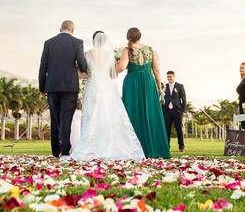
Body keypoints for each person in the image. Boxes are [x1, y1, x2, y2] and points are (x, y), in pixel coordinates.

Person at [72, 31, 144, 161]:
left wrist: (89, 75)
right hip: (107, 86)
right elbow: (113, 74)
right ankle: (110, 143)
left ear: (94, 41)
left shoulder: (87, 53)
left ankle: (93, 144)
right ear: (105, 41)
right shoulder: (110, 55)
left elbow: (80, 73)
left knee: (93, 114)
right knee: (110, 115)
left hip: (93, 85)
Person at [116, 27, 170, 158]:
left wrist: (106, 69)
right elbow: (156, 70)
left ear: (128, 37)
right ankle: (155, 148)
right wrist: (159, 89)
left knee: (132, 113)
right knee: (150, 113)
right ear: (140, 36)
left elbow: (121, 67)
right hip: (148, 83)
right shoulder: (151, 50)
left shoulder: (127, 50)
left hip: (132, 83)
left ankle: (134, 149)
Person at [39, 20, 89, 160]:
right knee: (66, 118)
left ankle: (55, 150)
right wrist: (84, 70)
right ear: (72, 29)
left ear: (60, 28)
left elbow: (43, 66)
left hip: (52, 87)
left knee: (55, 118)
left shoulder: (48, 43)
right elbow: (81, 62)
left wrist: (42, 87)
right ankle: (65, 151)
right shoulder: (77, 42)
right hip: (69, 86)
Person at [162, 70, 187, 151]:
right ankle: (167, 146)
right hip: (167, 111)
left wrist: (182, 111)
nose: (169, 78)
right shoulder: (164, 87)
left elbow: (184, 100)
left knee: (179, 129)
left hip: (177, 111)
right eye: (168, 76)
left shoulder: (180, 86)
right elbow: (162, 98)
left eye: (170, 76)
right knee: (166, 130)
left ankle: (181, 147)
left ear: (174, 76)